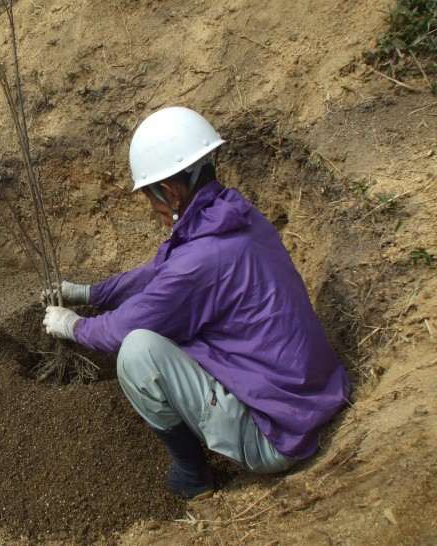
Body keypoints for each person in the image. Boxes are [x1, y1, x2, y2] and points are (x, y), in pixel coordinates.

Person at [41, 106, 351, 500]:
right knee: (180, 335)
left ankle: (192, 474)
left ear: (170, 192)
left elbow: (121, 330)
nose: (152, 210)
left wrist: (73, 326)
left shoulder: (202, 260)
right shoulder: (233, 218)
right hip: (308, 394)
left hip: (279, 433)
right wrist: (88, 294)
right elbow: (159, 272)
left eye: (148, 197)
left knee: (138, 353)